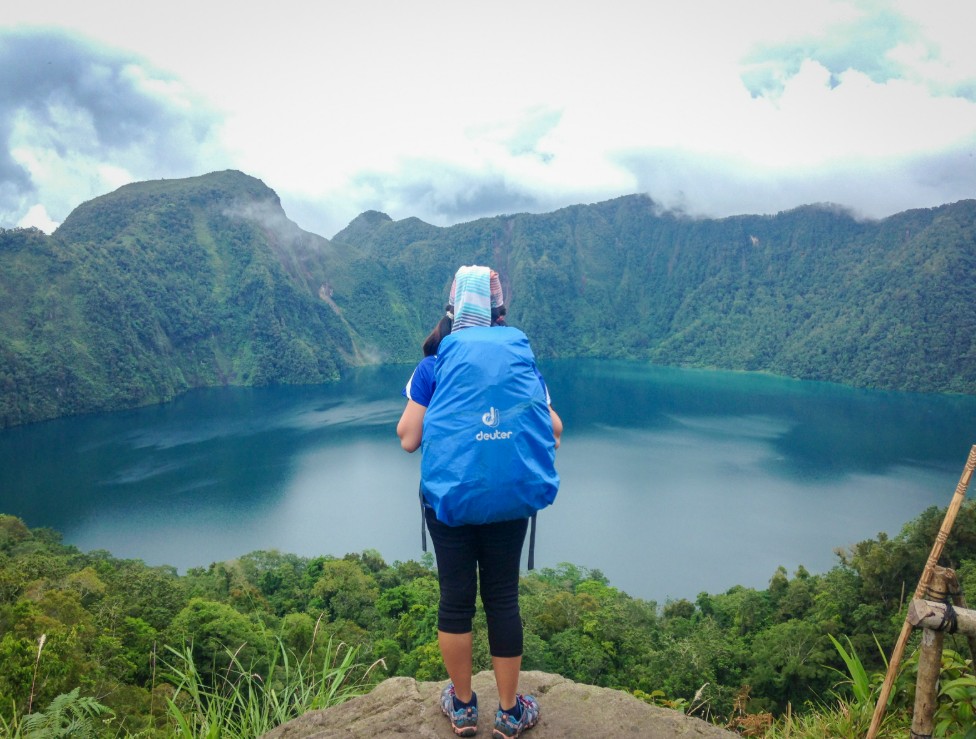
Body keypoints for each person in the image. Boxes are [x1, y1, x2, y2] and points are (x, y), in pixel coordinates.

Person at [397, 265, 562, 738]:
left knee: (455, 602)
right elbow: (554, 429)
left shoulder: (435, 364)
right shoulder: (518, 360)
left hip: (449, 503)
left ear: (452, 307)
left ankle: (464, 707)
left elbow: (409, 439)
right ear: (496, 310)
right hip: (508, 501)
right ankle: (511, 713)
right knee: (503, 600)